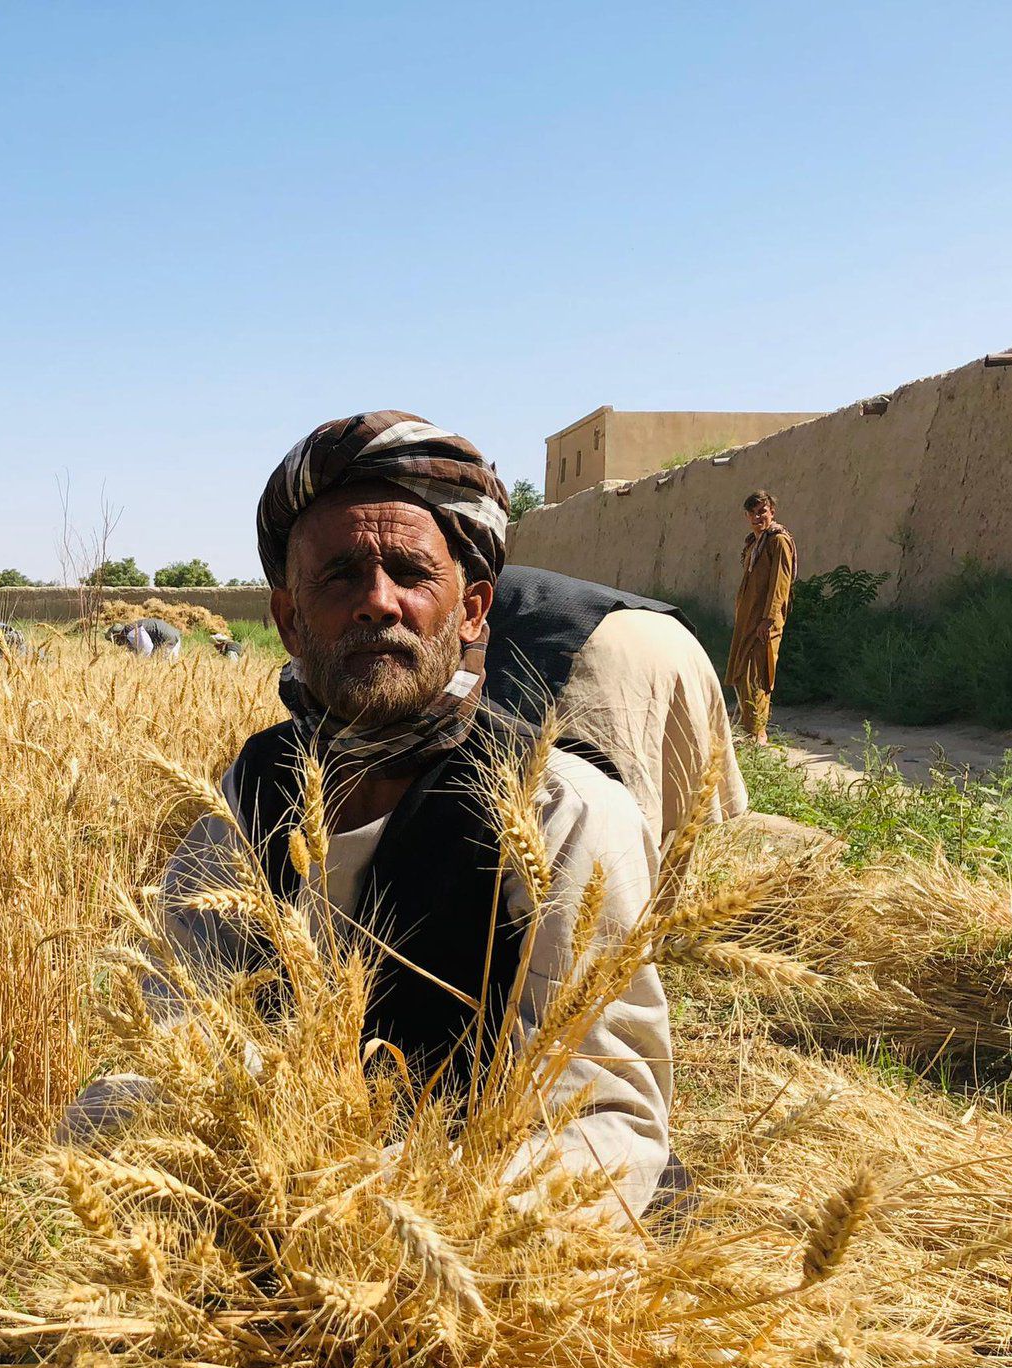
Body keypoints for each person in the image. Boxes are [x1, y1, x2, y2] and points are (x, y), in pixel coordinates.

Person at [73, 411, 673, 1218]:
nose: (377, 603)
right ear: (289, 620)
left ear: (473, 610)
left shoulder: (560, 811)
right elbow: (176, 1020)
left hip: (478, 1230)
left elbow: (606, 1119)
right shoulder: (256, 786)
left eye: (411, 574)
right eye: (341, 576)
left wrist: (375, 1204)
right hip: (275, 1195)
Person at [486, 566, 747, 849]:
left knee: (606, 828)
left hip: (604, 650)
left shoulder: (464, 591)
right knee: (674, 812)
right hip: (676, 638)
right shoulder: (483, 571)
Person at [726, 489, 796, 746]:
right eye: (753, 513)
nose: (758, 517)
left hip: (764, 621)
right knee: (743, 673)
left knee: (758, 674)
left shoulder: (778, 541)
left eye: (762, 511)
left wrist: (768, 619)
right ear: (747, 516)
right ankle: (749, 729)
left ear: (771, 512)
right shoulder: (754, 543)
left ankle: (758, 733)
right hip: (748, 619)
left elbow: (780, 583)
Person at [106, 616, 183, 659]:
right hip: (174, 637)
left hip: (167, 639)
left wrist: (140, 664)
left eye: (115, 641)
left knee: (163, 666)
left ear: (118, 635)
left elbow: (146, 648)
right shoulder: (132, 630)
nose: (117, 644)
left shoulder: (132, 632)